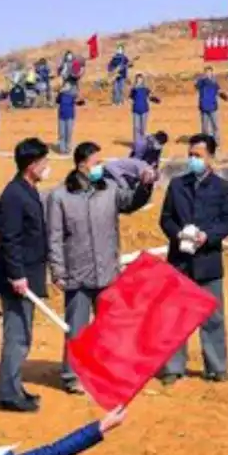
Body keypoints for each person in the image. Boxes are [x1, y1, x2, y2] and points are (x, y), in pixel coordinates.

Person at [47, 141, 155, 394]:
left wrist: (146, 186)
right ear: (82, 164)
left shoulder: (109, 190)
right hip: (77, 272)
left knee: (110, 325)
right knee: (77, 328)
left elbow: (130, 202)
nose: (101, 168)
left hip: (107, 271)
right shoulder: (60, 197)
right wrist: (58, 272)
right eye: (96, 163)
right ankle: (72, 375)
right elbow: (54, 237)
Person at [157, 133, 228, 385]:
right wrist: (177, 234)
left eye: (198, 156)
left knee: (212, 317)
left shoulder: (223, 188)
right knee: (175, 316)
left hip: (208, 262)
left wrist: (208, 236)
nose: (193, 160)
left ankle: (216, 367)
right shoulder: (178, 185)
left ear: (210, 158)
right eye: (190, 155)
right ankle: (173, 367)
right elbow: (166, 218)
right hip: (180, 261)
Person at [0, 138, 52, 412]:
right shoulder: (14, 196)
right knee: (17, 335)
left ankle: (14, 386)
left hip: (30, 274)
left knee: (24, 334)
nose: (46, 167)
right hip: (18, 280)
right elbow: (10, 239)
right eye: (43, 162)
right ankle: (8, 393)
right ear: (31, 166)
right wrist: (17, 275)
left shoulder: (27, 191)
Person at [194, 67, 228, 144]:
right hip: (204, 107)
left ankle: (217, 142)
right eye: (207, 72)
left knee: (215, 126)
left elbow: (219, 91)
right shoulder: (201, 82)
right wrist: (201, 79)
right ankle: (206, 142)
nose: (208, 74)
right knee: (205, 128)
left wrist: (224, 96)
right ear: (204, 73)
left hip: (213, 107)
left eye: (210, 72)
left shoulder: (214, 83)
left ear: (212, 73)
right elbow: (196, 85)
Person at [128, 73, 161, 146]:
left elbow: (150, 96)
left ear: (142, 80)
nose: (139, 81)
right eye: (137, 80)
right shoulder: (133, 89)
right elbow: (130, 98)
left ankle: (142, 143)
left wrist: (155, 99)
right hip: (136, 110)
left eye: (140, 79)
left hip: (144, 110)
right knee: (136, 128)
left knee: (143, 128)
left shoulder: (145, 89)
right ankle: (137, 143)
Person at [55, 83, 85, 155]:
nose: (66, 87)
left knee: (68, 133)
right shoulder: (61, 94)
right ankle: (62, 149)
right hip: (61, 116)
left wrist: (80, 98)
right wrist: (60, 92)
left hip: (70, 116)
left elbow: (81, 103)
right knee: (61, 133)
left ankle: (68, 148)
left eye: (67, 86)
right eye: (65, 86)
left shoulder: (72, 94)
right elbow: (57, 101)